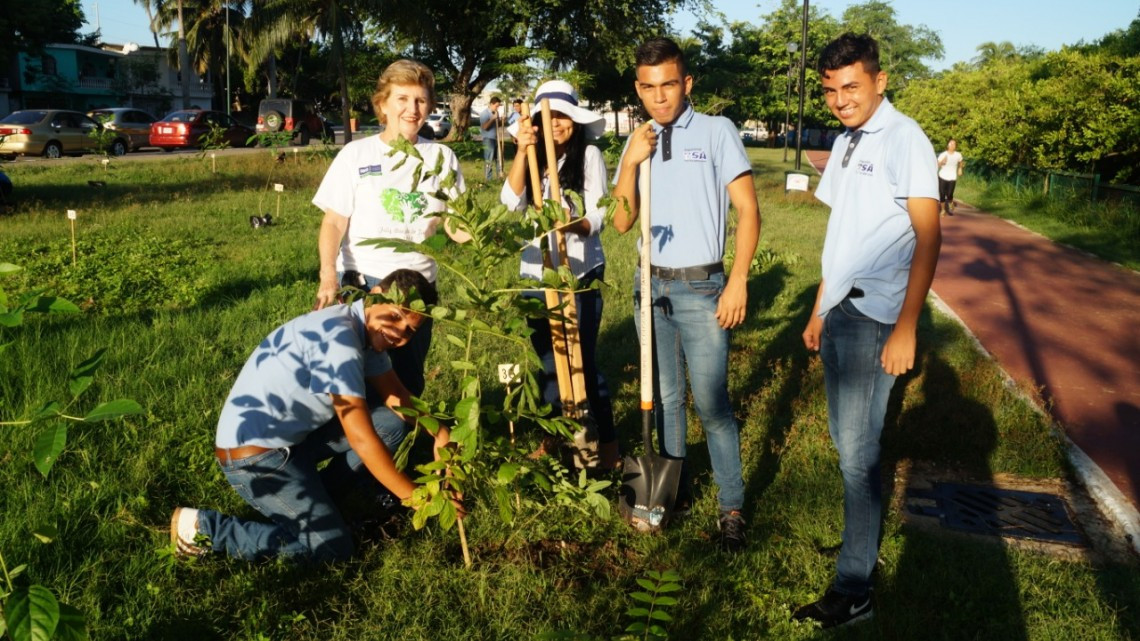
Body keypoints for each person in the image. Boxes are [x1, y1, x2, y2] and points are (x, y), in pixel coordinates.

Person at [795, 33, 941, 628]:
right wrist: (818, 308)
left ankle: (854, 585)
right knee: (848, 446)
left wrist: (906, 325)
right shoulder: (848, 139)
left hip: (877, 318)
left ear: (881, 81)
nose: (840, 99)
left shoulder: (906, 139)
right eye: (830, 90)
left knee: (857, 456)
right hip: (841, 313)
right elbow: (844, 237)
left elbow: (929, 237)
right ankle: (860, 544)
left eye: (851, 86)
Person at [171, 270, 459, 562]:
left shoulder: (363, 329)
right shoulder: (340, 340)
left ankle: (318, 501)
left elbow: (397, 396)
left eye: (410, 330)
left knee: (391, 424)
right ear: (374, 296)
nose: (399, 333)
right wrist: (416, 499)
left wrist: (439, 431)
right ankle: (207, 529)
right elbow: (360, 437)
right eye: (396, 317)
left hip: (291, 441)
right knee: (334, 549)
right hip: (255, 458)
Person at [611, 37, 761, 552]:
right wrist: (630, 163)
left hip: (701, 285)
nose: (660, 97)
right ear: (638, 89)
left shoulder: (717, 132)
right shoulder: (639, 139)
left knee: (713, 403)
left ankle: (731, 507)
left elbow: (748, 211)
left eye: (669, 85)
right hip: (649, 283)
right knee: (667, 398)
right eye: (649, 88)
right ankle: (667, 494)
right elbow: (622, 220)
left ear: (687, 83)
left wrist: (737, 279)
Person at [312, 59, 468, 398]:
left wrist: (481, 234)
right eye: (402, 99)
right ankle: (359, 449)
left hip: (418, 288)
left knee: (408, 383)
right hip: (365, 284)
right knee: (354, 384)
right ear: (382, 104)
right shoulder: (356, 154)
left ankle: (403, 447)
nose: (412, 109)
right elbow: (334, 221)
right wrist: (328, 276)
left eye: (421, 100)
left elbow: (454, 223)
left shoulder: (442, 157)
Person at [500, 79, 618, 470]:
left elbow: (599, 215)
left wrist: (570, 225)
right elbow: (509, 202)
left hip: (578, 273)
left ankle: (607, 446)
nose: (556, 124)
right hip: (536, 274)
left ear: (575, 120)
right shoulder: (529, 156)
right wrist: (522, 152)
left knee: (582, 362)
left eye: (563, 116)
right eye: (546, 117)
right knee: (550, 363)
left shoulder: (589, 157)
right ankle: (560, 438)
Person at [479, 96, 504, 181]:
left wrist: (501, 121)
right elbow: (485, 127)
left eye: (499, 106)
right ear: (491, 104)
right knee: (489, 159)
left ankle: (499, 177)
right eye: (496, 106)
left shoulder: (495, 113)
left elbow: (498, 125)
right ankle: (488, 179)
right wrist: (493, 119)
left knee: (498, 158)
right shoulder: (485, 113)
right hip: (488, 139)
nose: (497, 108)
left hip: (496, 138)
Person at [937, 139, 964, 216]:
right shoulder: (943, 154)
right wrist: (942, 162)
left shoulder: (958, 155)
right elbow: (937, 164)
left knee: (949, 194)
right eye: (951, 143)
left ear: (955, 146)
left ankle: (950, 202)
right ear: (947, 145)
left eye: (954, 144)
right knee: (942, 194)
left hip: (952, 177)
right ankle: (943, 210)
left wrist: (960, 169)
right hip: (942, 176)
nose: (952, 145)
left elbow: (961, 161)